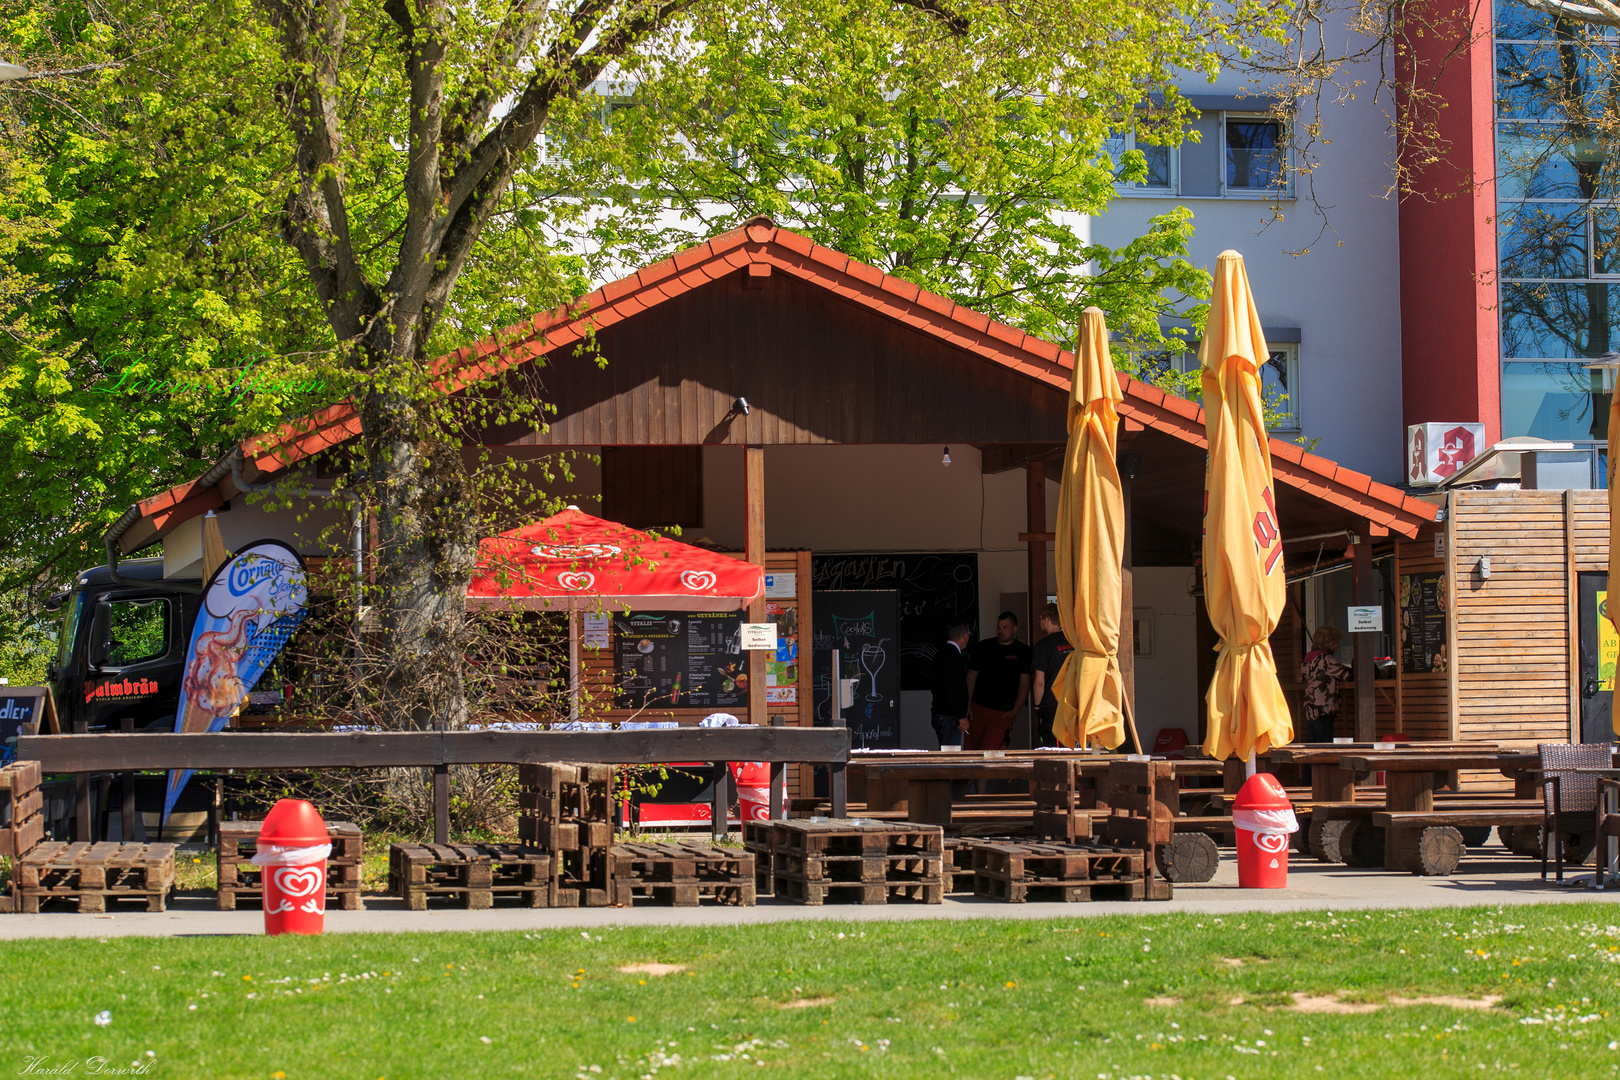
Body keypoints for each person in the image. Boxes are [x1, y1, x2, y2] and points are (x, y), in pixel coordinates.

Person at [965, 611, 1032, 751]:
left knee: (990, 753)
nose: (1000, 631)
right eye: (998, 627)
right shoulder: (984, 646)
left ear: (1014, 629)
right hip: (977, 709)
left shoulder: (1023, 651)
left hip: (1001, 713)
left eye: (1005, 627)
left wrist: (1014, 712)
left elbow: (1025, 685)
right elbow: (971, 676)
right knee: (970, 753)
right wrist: (967, 705)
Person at [1029, 603, 1073, 748]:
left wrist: (1037, 705)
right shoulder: (1073, 642)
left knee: (1053, 747)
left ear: (1046, 620)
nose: (1040, 623)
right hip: (1072, 701)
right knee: (1073, 742)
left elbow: (1039, 681)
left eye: (1040, 620)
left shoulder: (1043, 645)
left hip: (1051, 704)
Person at [1300, 625, 1350, 743]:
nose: (1338, 646)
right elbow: (1346, 675)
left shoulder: (1309, 658)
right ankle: (1318, 762)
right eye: (1336, 642)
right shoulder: (1326, 659)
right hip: (1324, 708)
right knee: (1324, 744)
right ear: (1329, 643)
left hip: (1311, 707)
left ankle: (1309, 762)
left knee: (1312, 742)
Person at [929, 622, 973, 749]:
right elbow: (953, 688)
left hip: (939, 712)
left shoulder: (939, 654)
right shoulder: (954, 656)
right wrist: (960, 715)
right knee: (951, 756)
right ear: (964, 636)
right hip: (950, 717)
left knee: (945, 751)